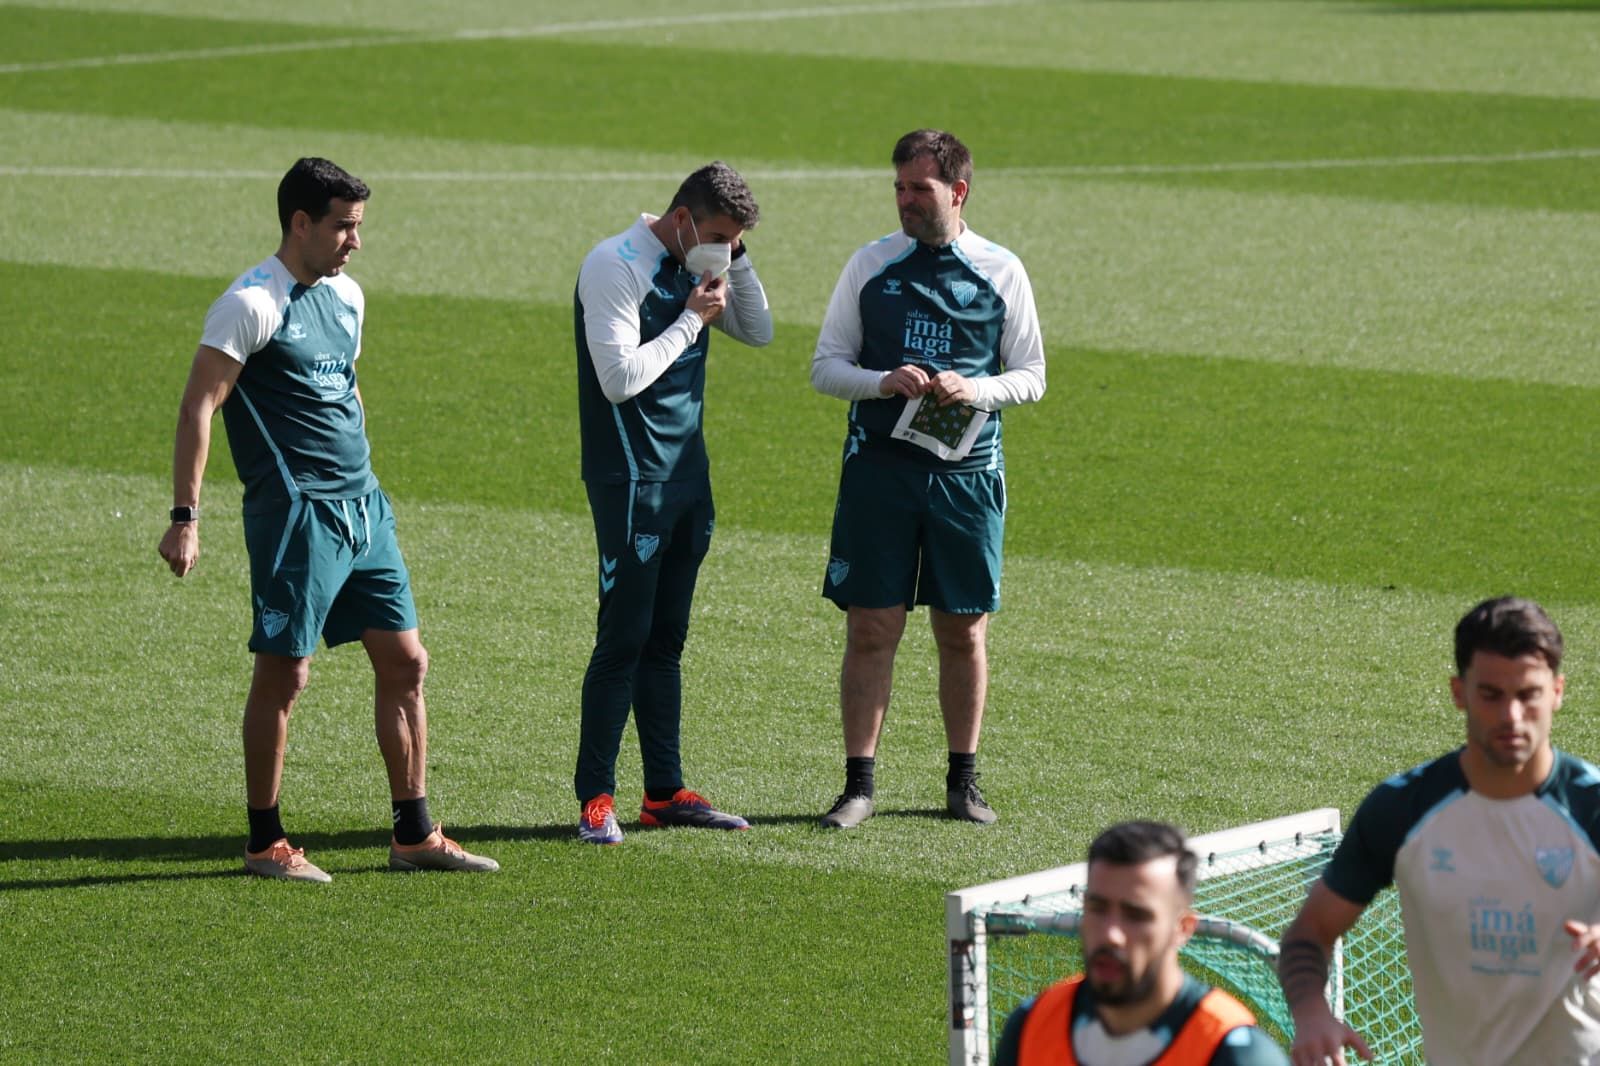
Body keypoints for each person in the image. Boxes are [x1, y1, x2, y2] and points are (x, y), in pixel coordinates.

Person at [157, 157, 497, 882]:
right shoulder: (251, 304)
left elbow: (346, 385)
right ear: (300, 223)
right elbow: (198, 406)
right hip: (296, 517)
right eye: (343, 226)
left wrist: (366, 477)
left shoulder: (347, 297)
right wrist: (186, 515)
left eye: (359, 226)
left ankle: (414, 831)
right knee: (286, 673)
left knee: (407, 664)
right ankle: (264, 842)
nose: (355, 241)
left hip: (363, 508)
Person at [810, 128, 1046, 828]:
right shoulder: (871, 265)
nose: (905, 201)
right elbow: (826, 366)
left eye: (920, 189)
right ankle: (858, 785)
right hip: (880, 473)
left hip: (966, 478)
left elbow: (1032, 377)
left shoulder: (1002, 270)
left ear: (958, 191)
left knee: (963, 631)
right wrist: (882, 381)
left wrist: (976, 391)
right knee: (872, 629)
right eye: (899, 188)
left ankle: (962, 782)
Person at [1277, 596, 1600, 1065]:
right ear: (1458, 692)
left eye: (1528, 694)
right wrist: (1310, 1013)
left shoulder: (1591, 805)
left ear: (1557, 692)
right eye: (1491, 695)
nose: (1511, 717)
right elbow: (1310, 932)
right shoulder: (1404, 808)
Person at [571, 161, 773, 845]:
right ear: (683, 218)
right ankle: (596, 798)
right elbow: (619, 379)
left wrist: (734, 262)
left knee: (666, 643)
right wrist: (690, 323)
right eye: (717, 234)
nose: (724, 247)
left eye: (735, 239)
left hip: (688, 478)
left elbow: (759, 330)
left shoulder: (701, 263)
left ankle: (664, 791)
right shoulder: (614, 264)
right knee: (621, 641)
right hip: (631, 481)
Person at [994, 820, 1289, 1065]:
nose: (1111, 934)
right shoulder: (1032, 1025)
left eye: (1136, 916)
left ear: (1182, 928)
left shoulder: (1234, 1054)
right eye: (1097, 908)